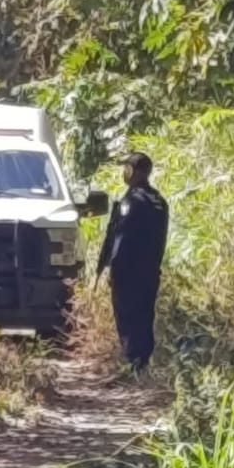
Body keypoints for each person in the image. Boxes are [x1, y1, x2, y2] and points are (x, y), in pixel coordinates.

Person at [96, 151, 169, 374]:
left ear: (133, 171)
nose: (124, 173)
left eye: (126, 168)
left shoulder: (131, 202)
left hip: (128, 271)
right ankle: (141, 363)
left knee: (127, 316)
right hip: (150, 271)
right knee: (145, 315)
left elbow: (121, 238)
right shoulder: (159, 201)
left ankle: (133, 361)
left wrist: (112, 269)